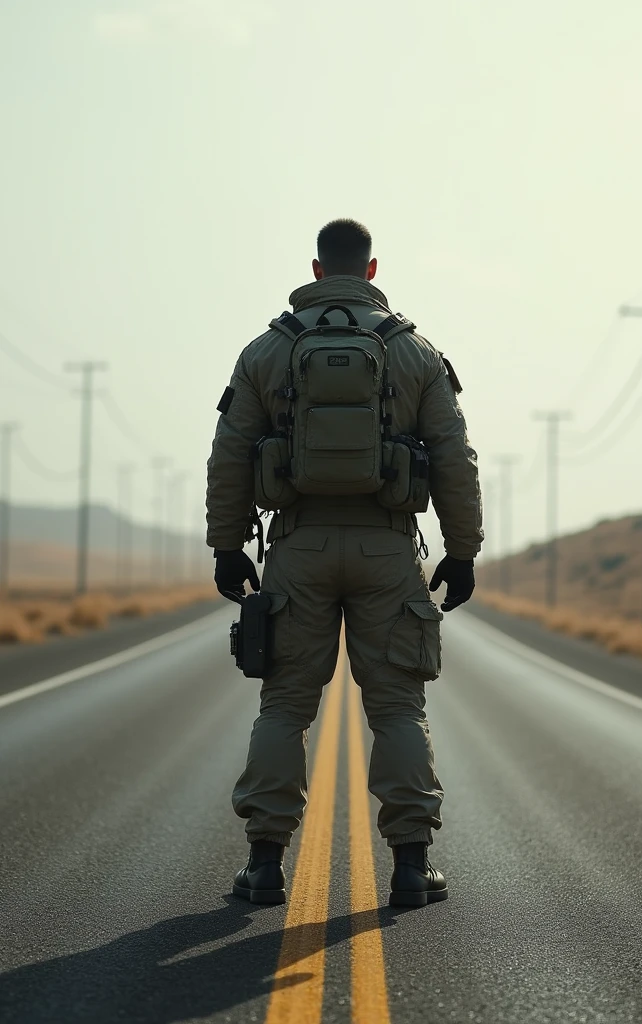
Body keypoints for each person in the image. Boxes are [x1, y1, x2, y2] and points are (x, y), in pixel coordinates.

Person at [206, 219, 483, 907]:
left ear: (315, 266)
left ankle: (266, 865)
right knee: (396, 707)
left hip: (296, 549)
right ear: (371, 269)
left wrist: (226, 545)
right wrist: (463, 550)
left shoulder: (268, 349)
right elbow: (455, 458)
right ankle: (412, 868)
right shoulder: (415, 351)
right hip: (388, 549)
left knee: (285, 706)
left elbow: (230, 453)